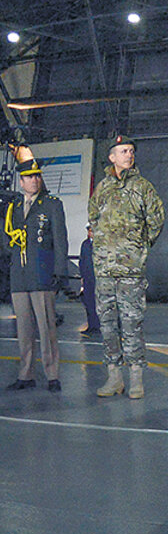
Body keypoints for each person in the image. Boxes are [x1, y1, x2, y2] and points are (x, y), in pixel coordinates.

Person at [89, 135, 165, 399]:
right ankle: (114, 378)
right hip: (105, 271)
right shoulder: (102, 188)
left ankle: (135, 379)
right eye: (123, 151)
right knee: (108, 325)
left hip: (131, 271)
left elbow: (156, 220)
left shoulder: (143, 187)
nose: (129, 155)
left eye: (131, 151)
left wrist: (138, 248)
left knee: (132, 324)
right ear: (112, 157)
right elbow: (93, 219)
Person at [4, 158, 68, 393]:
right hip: (19, 275)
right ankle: (26, 373)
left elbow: (60, 240)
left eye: (37, 176)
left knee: (46, 327)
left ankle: (52, 374)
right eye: (30, 177)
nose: (35, 180)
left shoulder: (51, 204)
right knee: (24, 329)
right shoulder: (14, 207)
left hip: (42, 273)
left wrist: (59, 272)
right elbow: (6, 238)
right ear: (21, 181)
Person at [79, 223, 100, 337]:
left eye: (92, 231)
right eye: (89, 231)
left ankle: (100, 326)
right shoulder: (85, 244)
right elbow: (82, 261)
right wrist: (82, 277)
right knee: (89, 304)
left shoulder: (101, 245)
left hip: (98, 279)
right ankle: (92, 326)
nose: (90, 233)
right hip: (88, 279)